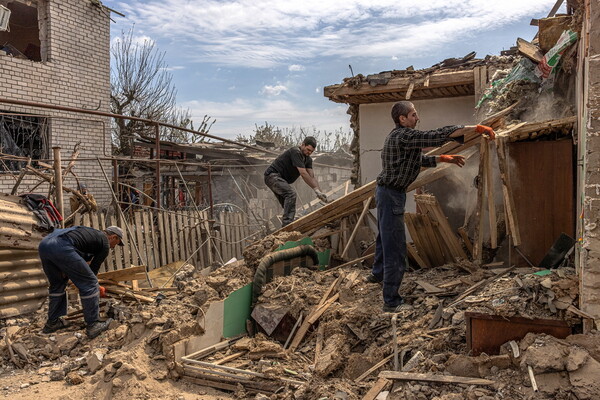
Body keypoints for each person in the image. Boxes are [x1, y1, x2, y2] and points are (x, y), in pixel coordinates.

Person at [367, 101, 495, 313]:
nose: (417, 118)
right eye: (413, 114)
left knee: (384, 238)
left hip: (387, 193)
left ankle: (377, 274)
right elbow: (435, 135)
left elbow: (414, 160)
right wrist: (476, 128)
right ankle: (391, 301)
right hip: (390, 195)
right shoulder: (404, 136)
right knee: (396, 249)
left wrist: (444, 158)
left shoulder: (399, 138)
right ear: (402, 119)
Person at [39, 225, 125, 338]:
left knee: (58, 284)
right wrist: (95, 287)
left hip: (45, 245)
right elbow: (93, 271)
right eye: (117, 243)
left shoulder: (90, 234)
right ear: (113, 237)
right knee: (90, 283)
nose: (114, 247)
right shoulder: (104, 243)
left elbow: (77, 260)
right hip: (62, 246)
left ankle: (52, 323)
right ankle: (93, 325)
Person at [264, 136, 328, 227]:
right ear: (302, 145)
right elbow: (303, 173)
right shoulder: (295, 152)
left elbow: (312, 177)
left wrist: (320, 192)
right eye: (308, 149)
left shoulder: (308, 159)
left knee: (289, 205)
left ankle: (287, 226)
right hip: (272, 176)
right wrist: (315, 190)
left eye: (311, 151)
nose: (309, 153)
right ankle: (288, 226)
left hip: (281, 180)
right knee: (291, 194)